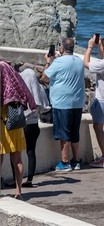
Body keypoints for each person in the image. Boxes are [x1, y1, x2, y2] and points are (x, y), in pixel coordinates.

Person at [0, 61, 36, 199]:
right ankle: (18, 190)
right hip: (15, 124)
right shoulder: (14, 81)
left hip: (0, 124)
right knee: (17, 159)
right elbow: (26, 94)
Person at [44, 37, 86, 171]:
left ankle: (65, 162)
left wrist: (48, 62)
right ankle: (75, 161)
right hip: (77, 102)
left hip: (62, 102)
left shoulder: (59, 62)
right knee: (74, 133)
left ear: (62, 48)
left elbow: (44, 77)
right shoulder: (79, 61)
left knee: (64, 133)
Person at [18, 63, 51, 186]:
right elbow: (44, 106)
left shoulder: (21, 89)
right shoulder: (39, 88)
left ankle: (18, 180)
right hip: (34, 126)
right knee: (31, 152)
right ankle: (30, 180)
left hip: (23, 125)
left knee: (16, 154)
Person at [82, 34, 104, 167]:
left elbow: (86, 63)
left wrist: (90, 46)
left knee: (98, 127)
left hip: (102, 100)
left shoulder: (102, 64)